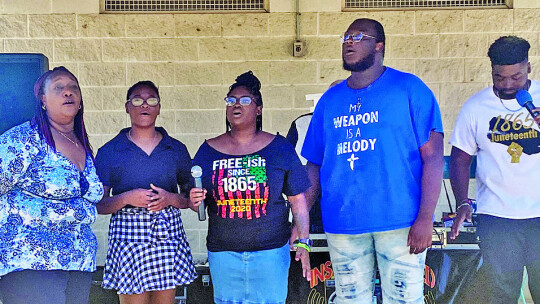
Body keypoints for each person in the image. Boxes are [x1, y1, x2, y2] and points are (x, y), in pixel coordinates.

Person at [301, 18, 444, 304]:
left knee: (405, 300)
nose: (349, 42)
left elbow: (434, 157)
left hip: (401, 222)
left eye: (358, 36)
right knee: (349, 300)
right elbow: (314, 165)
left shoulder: (410, 88)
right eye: (346, 37)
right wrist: (301, 221)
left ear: (379, 45)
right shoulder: (330, 100)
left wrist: (426, 218)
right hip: (343, 223)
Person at [189, 71, 311, 304]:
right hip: (223, 253)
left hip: (271, 253)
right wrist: (194, 201)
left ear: (258, 109)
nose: (236, 105)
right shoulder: (208, 150)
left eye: (245, 100)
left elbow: (298, 200)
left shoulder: (279, 148)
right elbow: (197, 203)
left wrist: (303, 241)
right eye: (231, 100)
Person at [0, 66, 104, 304]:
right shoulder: (22, 140)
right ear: (43, 100)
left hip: (78, 261)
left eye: (73, 87)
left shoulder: (82, 144)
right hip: (31, 263)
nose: (68, 92)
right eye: (59, 88)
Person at [450, 36, 540, 303]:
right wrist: (462, 202)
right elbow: (459, 159)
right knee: (500, 293)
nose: (509, 84)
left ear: (528, 68)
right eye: (500, 78)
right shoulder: (475, 107)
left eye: (516, 76)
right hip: (497, 217)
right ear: (491, 71)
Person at [94, 81, 197, 304]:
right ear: (127, 107)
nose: (145, 105)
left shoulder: (176, 149)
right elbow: (98, 205)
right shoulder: (110, 151)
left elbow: (190, 199)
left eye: (151, 100)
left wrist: (169, 198)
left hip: (167, 235)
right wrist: (127, 198)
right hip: (129, 238)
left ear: (159, 107)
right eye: (137, 100)